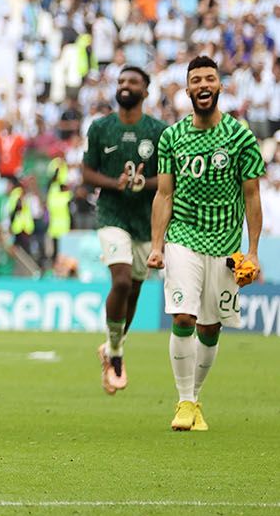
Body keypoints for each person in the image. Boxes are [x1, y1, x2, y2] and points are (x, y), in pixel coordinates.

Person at [147, 55, 265, 432]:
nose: (202, 85)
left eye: (209, 79)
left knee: (211, 328)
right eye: (195, 79)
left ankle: (194, 399)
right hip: (184, 238)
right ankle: (183, 401)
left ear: (219, 86)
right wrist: (157, 244)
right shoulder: (172, 137)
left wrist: (253, 251)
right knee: (183, 316)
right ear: (187, 90)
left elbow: (251, 196)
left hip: (227, 246)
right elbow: (164, 195)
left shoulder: (240, 137)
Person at [81, 66, 167, 395]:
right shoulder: (101, 127)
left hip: (146, 221)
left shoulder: (159, 131)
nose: (125, 86)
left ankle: (113, 347)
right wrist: (112, 183)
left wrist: (146, 183)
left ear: (145, 91)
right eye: (120, 81)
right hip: (112, 214)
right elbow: (87, 173)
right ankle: (115, 352)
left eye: (132, 82)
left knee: (133, 289)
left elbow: (170, 179)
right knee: (120, 279)